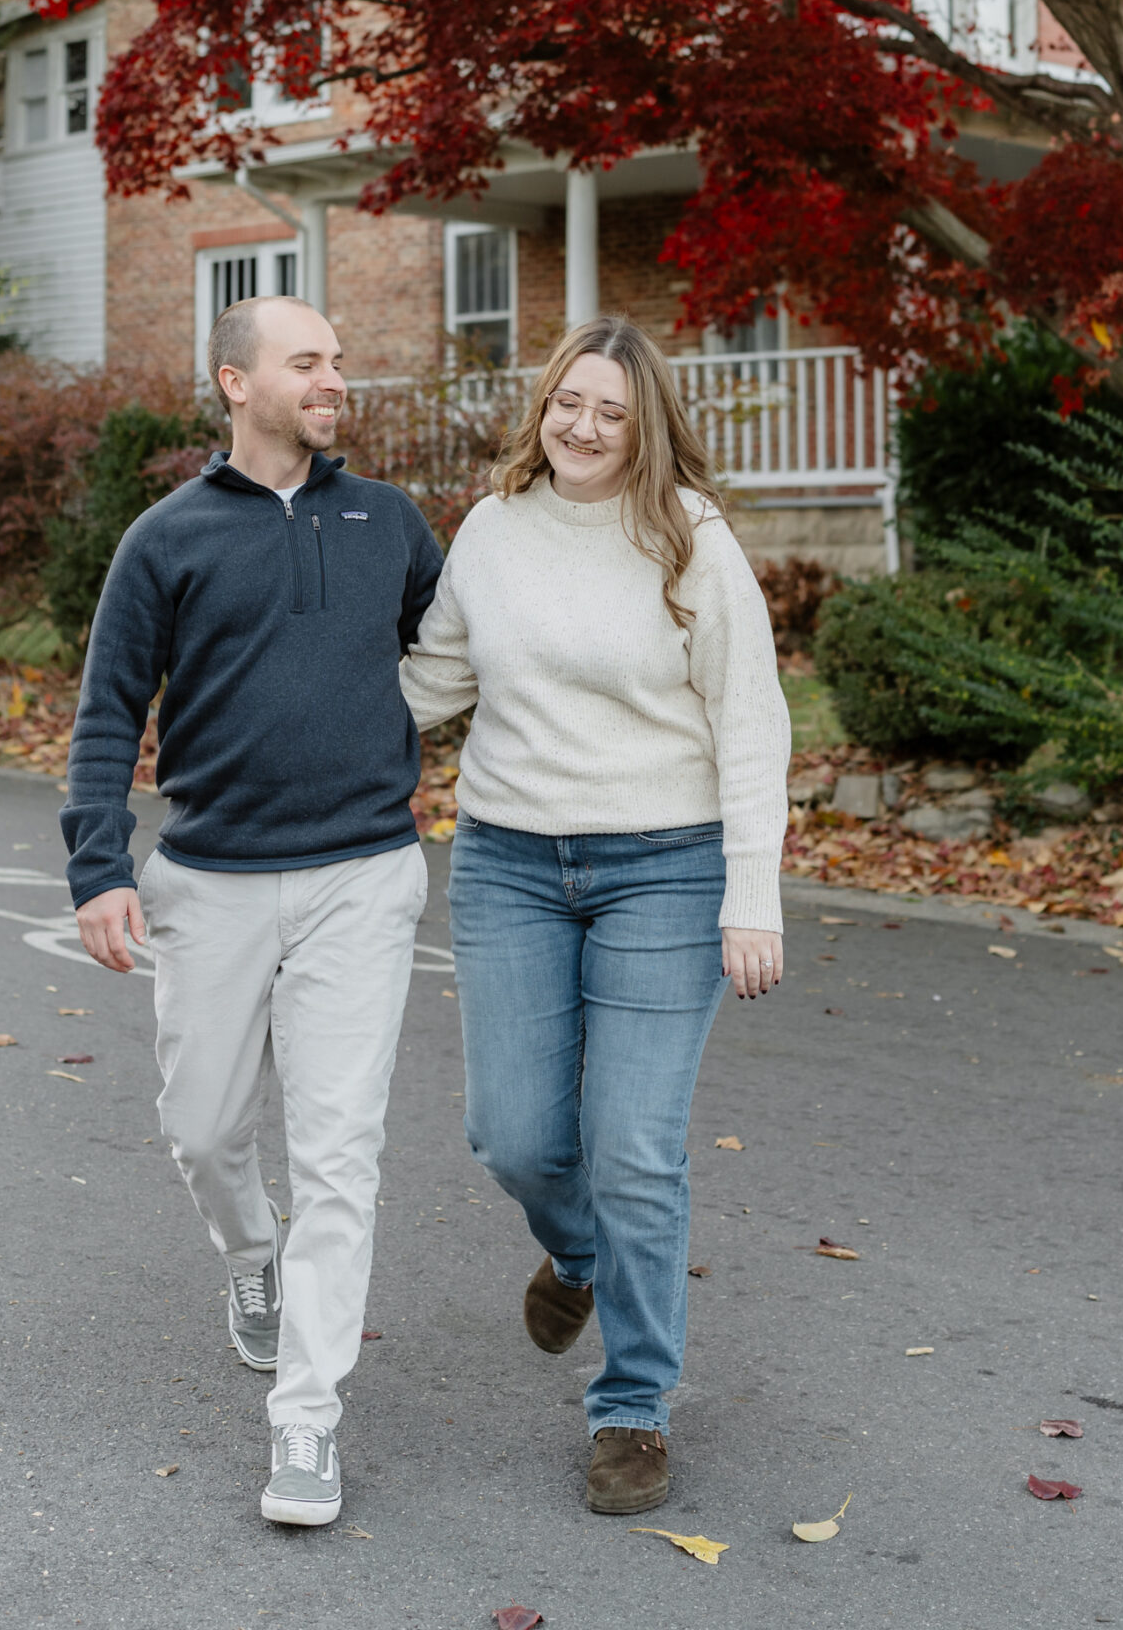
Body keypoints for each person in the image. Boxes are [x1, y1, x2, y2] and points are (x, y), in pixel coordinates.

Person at [399, 314, 789, 1517]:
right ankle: (575, 1251)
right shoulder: (496, 531)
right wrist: (279, 723)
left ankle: (632, 1407)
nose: (584, 425)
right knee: (512, 1135)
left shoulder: (693, 541)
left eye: (611, 411)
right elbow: (435, 680)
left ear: (645, 424)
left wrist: (751, 891)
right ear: (544, 406)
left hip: (664, 868)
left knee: (633, 1145)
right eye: (570, 402)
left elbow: (750, 720)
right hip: (511, 858)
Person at [62, 295, 441, 1529]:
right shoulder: (165, 539)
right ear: (235, 381)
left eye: (339, 356)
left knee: (341, 1156)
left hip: (362, 877)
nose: (336, 377)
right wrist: (99, 868)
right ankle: (249, 1260)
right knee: (205, 1127)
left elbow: (456, 657)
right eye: (309, 361)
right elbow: (107, 713)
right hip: (211, 879)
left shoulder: (387, 521)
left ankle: (307, 1424)